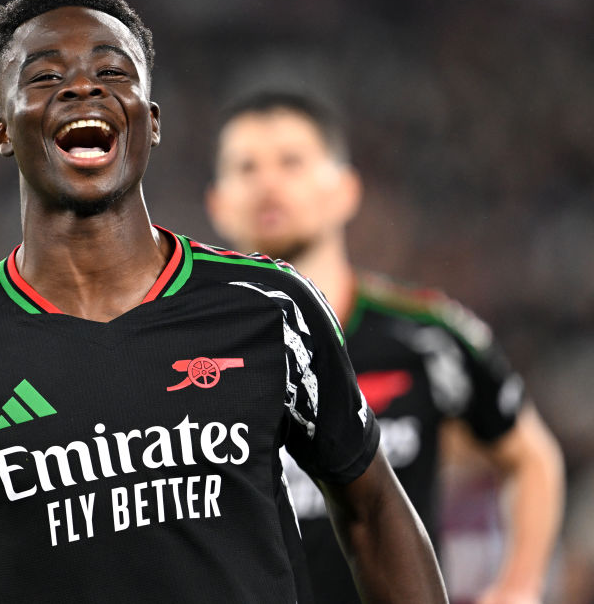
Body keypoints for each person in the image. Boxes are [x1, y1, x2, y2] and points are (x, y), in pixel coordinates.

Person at [0, 0, 447, 603]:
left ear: (149, 123)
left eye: (113, 72)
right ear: (3, 131)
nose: (83, 86)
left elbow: (374, 515)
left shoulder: (268, 307)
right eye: (43, 77)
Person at [205, 90, 564, 604]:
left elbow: (532, 458)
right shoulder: (190, 354)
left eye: (292, 162)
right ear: (217, 203)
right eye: (246, 167)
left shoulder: (425, 337)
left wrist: (519, 586)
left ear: (345, 190)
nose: (268, 184)